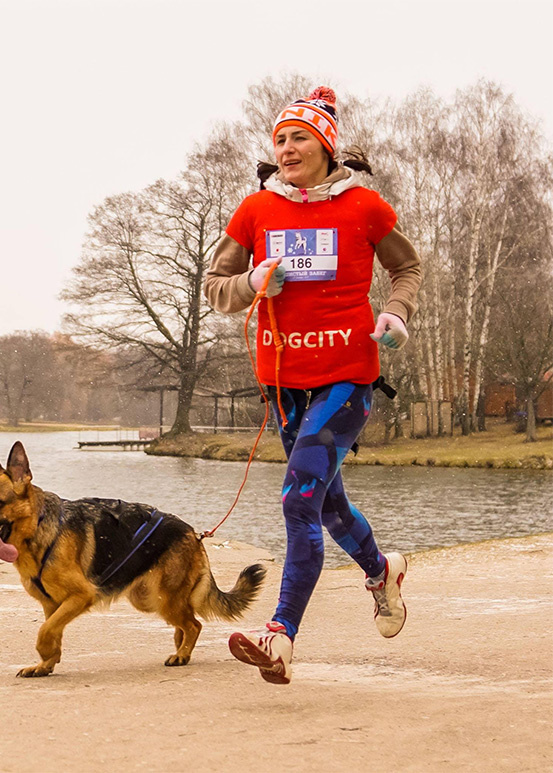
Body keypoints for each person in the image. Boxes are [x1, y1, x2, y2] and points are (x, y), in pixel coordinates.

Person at [203, 87, 421, 685]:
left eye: (299, 137)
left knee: (298, 500)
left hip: (347, 377)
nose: (287, 147)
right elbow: (215, 286)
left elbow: (406, 265)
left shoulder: (364, 208)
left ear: (326, 145)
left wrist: (396, 313)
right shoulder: (255, 211)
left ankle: (280, 636)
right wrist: (251, 282)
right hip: (282, 384)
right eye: (279, 139)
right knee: (325, 501)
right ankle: (381, 570)